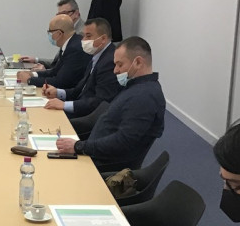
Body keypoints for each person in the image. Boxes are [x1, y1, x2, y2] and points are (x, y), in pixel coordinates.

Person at [55, 36, 164, 171]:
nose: (115, 70)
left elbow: (123, 142)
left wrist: (78, 147)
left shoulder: (144, 97)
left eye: (120, 64)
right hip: (94, 154)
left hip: (102, 166)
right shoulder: (135, 88)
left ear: (138, 62)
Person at [42, 18, 119, 129]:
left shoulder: (109, 62)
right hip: (81, 108)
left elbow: (99, 101)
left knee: (46, 120)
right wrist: (58, 92)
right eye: (83, 36)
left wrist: (64, 105)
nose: (83, 40)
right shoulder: (97, 56)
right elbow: (80, 89)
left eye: (88, 36)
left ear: (103, 39)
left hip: (88, 117)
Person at [21, 13, 91, 91]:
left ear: (59, 33)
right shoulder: (69, 44)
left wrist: (30, 80)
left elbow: (60, 82)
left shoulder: (75, 48)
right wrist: (33, 74)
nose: (49, 35)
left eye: (50, 32)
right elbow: (54, 72)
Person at [21, 0, 83, 68]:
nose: (60, 17)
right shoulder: (66, 30)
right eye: (59, 14)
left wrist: (43, 72)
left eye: (64, 13)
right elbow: (57, 63)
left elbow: (64, 69)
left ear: (76, 13)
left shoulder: (82, 34)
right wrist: (36, 60)